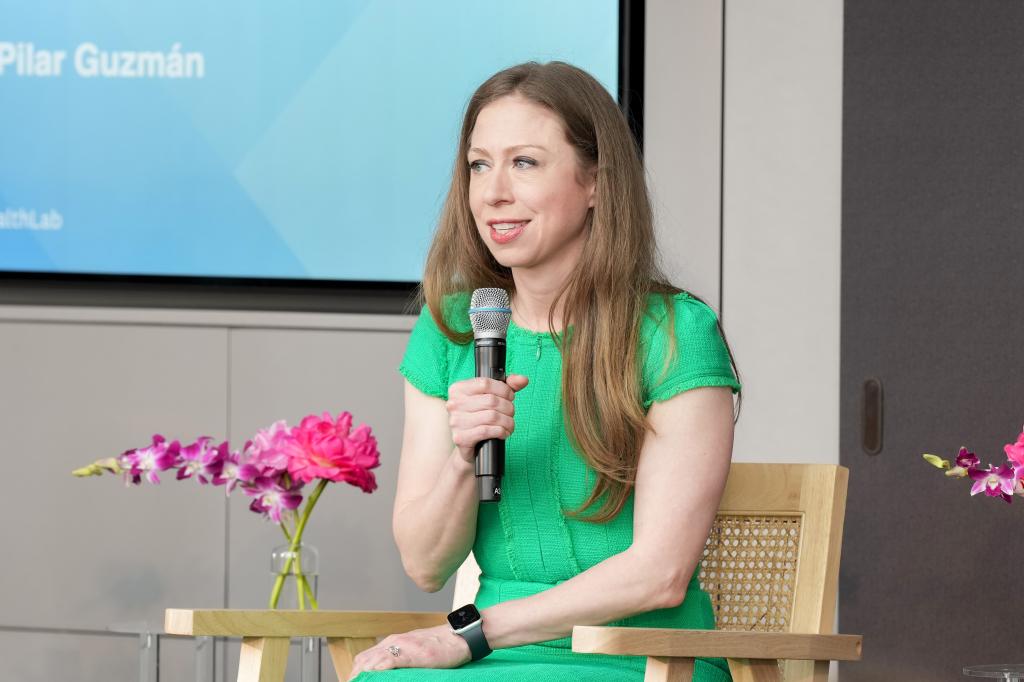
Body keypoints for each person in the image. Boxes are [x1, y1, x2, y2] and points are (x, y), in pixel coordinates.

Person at [348, 61, 741, 681]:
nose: (493, 192)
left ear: (595, 182)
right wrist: (462, 457)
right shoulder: (453, 327)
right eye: (479, 165)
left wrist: (473, 634)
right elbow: (425, 565)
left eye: (524, 163)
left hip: (643, 658)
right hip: (491, 651)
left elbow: (660, 572)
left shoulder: (673, 334)